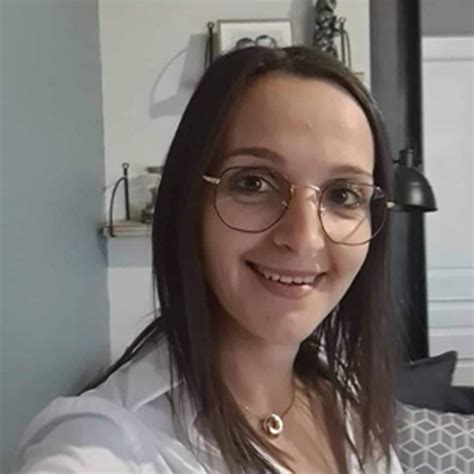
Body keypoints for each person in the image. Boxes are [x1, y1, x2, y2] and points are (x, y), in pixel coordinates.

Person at [14, 46, 403, 473]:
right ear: (189, 202)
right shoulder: (105, 447)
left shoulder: (343, 398)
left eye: (343, 194)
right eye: (253, 183)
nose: (305, 239)